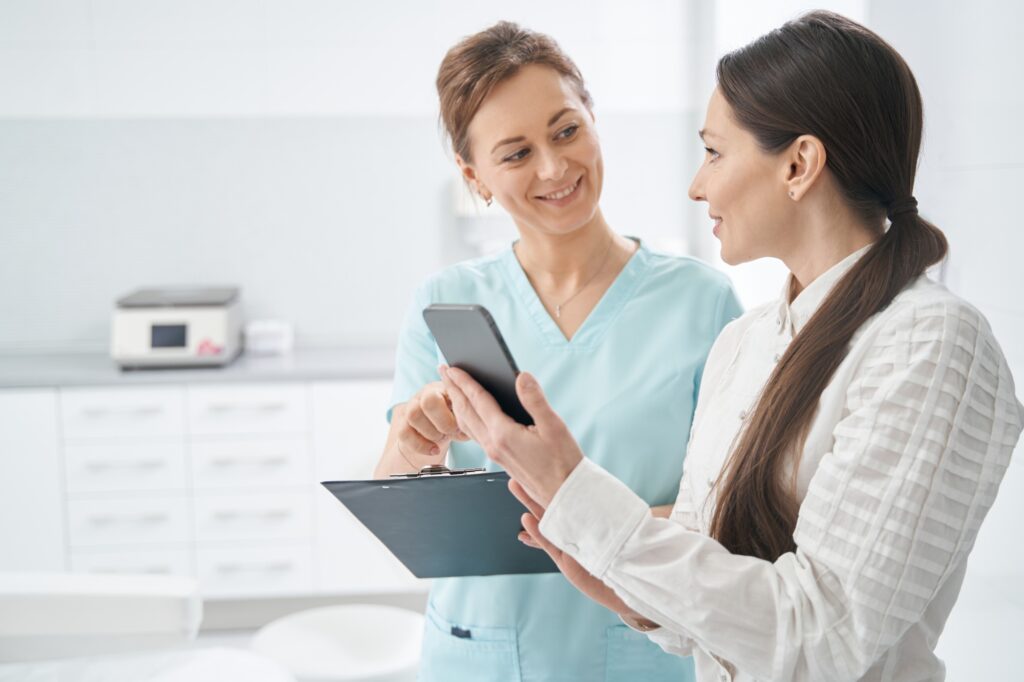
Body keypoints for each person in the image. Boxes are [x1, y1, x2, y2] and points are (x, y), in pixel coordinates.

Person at [441, 11, 1024, 682]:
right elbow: (711, 574)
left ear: (799, 164)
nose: (698, 184)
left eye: (715, 152)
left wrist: (575, 491)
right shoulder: (744, 344)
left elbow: (822, 635)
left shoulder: (931, 343)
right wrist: (633, 598)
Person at [372, 21, 741, 682]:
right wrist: (412, 442)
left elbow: (727, 516)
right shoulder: (447, 301)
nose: (553, 167)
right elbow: (404, 512)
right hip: (479, 656)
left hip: (639, 653)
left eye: (566, 130)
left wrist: (577, 515)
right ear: (474, 175)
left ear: (594, 120)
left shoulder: (702, 304)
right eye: (514, 154)